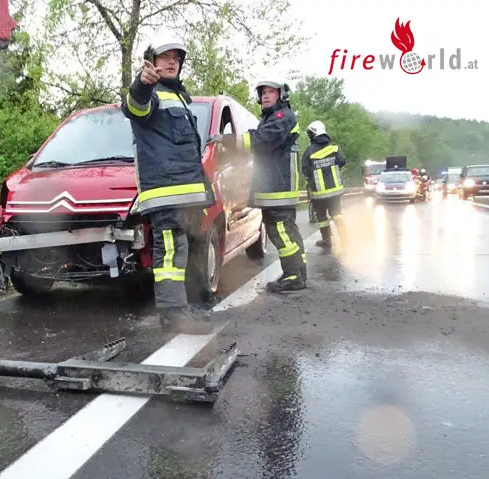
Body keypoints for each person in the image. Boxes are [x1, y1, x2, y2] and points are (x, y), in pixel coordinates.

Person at [121, 32, 216, 334]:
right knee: (171, 254)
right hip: (166, 193)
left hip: (184, 193)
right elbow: (134, 107)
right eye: (165, 57)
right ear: (151, 62)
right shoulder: (150, 91)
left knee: (180, 252)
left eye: (176, 58)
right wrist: (142, 82)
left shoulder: (178, 96)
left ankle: (183, 309)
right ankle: (174, 315)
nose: (172, 62)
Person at [233, 77, 307, 292]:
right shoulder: (272, 118)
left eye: (270, 92)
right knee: (288, 231)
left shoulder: (282, 116)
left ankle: (293, 276)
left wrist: (228, 141)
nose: (265, 96)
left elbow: (262, 140)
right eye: (262, 92)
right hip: (276, 186)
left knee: (281, 231)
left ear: (282, 95)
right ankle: (298, 271)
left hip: (278, 188)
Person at [300, 120, 348, 249]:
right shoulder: (334, 148)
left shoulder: (309, 151)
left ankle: (327, 240)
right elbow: (342, 161)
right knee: (337, 214)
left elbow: (305, 169)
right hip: (334, 189)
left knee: (321, 217)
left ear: (314, 133)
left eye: (310, 133)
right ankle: (345, 239)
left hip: (318, 192)